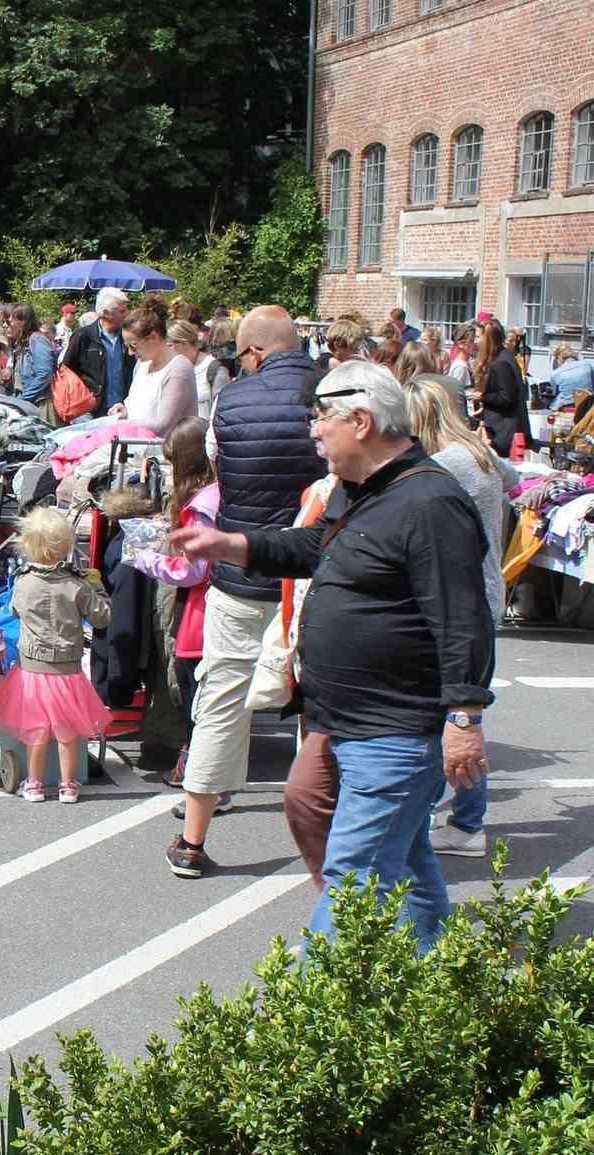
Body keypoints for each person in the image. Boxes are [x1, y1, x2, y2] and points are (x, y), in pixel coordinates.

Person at [173, 361, 494, 953]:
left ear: (363, 421)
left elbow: (462, 620)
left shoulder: (430, 503)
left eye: (321, 418)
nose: (313, 432)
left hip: (392, 727)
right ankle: (437, 978)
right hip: (342, 719)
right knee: (402, 860)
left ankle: (300, 1015)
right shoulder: (364, 490)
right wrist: (231, 544)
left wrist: (464, 719)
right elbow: (314, 545)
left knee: (355, 878)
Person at [169, 306, 325, 878]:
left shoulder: (231, 402)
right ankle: (328, 838)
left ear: (255, 352)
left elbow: (218, 472)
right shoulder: (329, 396)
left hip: (240, 571)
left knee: (221, 698)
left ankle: (192, 840)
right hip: (313, 575)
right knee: (317, 700)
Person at [407, 377, 511, 856]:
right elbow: (519, 477)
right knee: (464, 715)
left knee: (454, 717)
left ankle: (464, 823)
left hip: (461, 602)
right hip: (487, 594)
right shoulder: (480, 455)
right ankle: (466, 820)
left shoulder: (444, 465)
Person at [0, 507, 112, 803]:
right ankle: (68, 785)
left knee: (35, 729)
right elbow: (102, 618)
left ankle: (34, 783)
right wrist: (97, 587)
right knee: (67, 731)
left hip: (32, 671)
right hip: (68, 671)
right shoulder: (77, 585)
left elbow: (13, 610)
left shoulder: (25, 582)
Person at [129, 417, 219, 788]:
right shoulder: (212, 495)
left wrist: (146, 559)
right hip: (204, 604)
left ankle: (200, 773)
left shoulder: (202, 504)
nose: (167, 471)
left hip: (199, 608)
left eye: (171, 463)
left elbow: (194, 570)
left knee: (195, 691)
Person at [114, 306, 196, 434]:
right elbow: (142, 412)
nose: (130, 352)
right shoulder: (142, 364)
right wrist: (125, 413)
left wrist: (118, 425)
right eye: (126, 346)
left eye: (133, 345)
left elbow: (163, 425)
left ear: (153, 337)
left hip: (167, 451)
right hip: (137, 448)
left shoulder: (178, 369)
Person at [61, 287, 131, 417]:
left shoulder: (128, 336)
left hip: (123, 409)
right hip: (91, 412)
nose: (126, 314)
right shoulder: (83, 337)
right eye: (122, 311)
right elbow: (66, 372)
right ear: (105, 313)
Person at [476, 321, 530, 456]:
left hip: (503, 433)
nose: (475, 341)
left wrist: (482, 397)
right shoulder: (504, 357)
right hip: (505, 428)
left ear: (486, 339)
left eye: (477, 337)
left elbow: (506, 398)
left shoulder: (501, 363)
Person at [167, 319, 228, 420]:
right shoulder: (169, 368)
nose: (166, 350)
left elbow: (222, 414)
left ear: (183, 342)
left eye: (169, 346)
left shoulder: (214, 370)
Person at [0, 303, 57, 409]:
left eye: (9, 322)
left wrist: (24, 400)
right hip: (28, 403)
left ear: (23, 322)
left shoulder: (37, 340)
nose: (5, 326)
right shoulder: (22, 344)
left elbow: (44, 374)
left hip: (40, 405)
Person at [550, 344, 594, 411]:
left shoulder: (556, 373)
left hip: (565, 405)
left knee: (550, 404)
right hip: (588, 403)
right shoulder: (587, 365)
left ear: (559, 357)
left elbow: (553, 393)